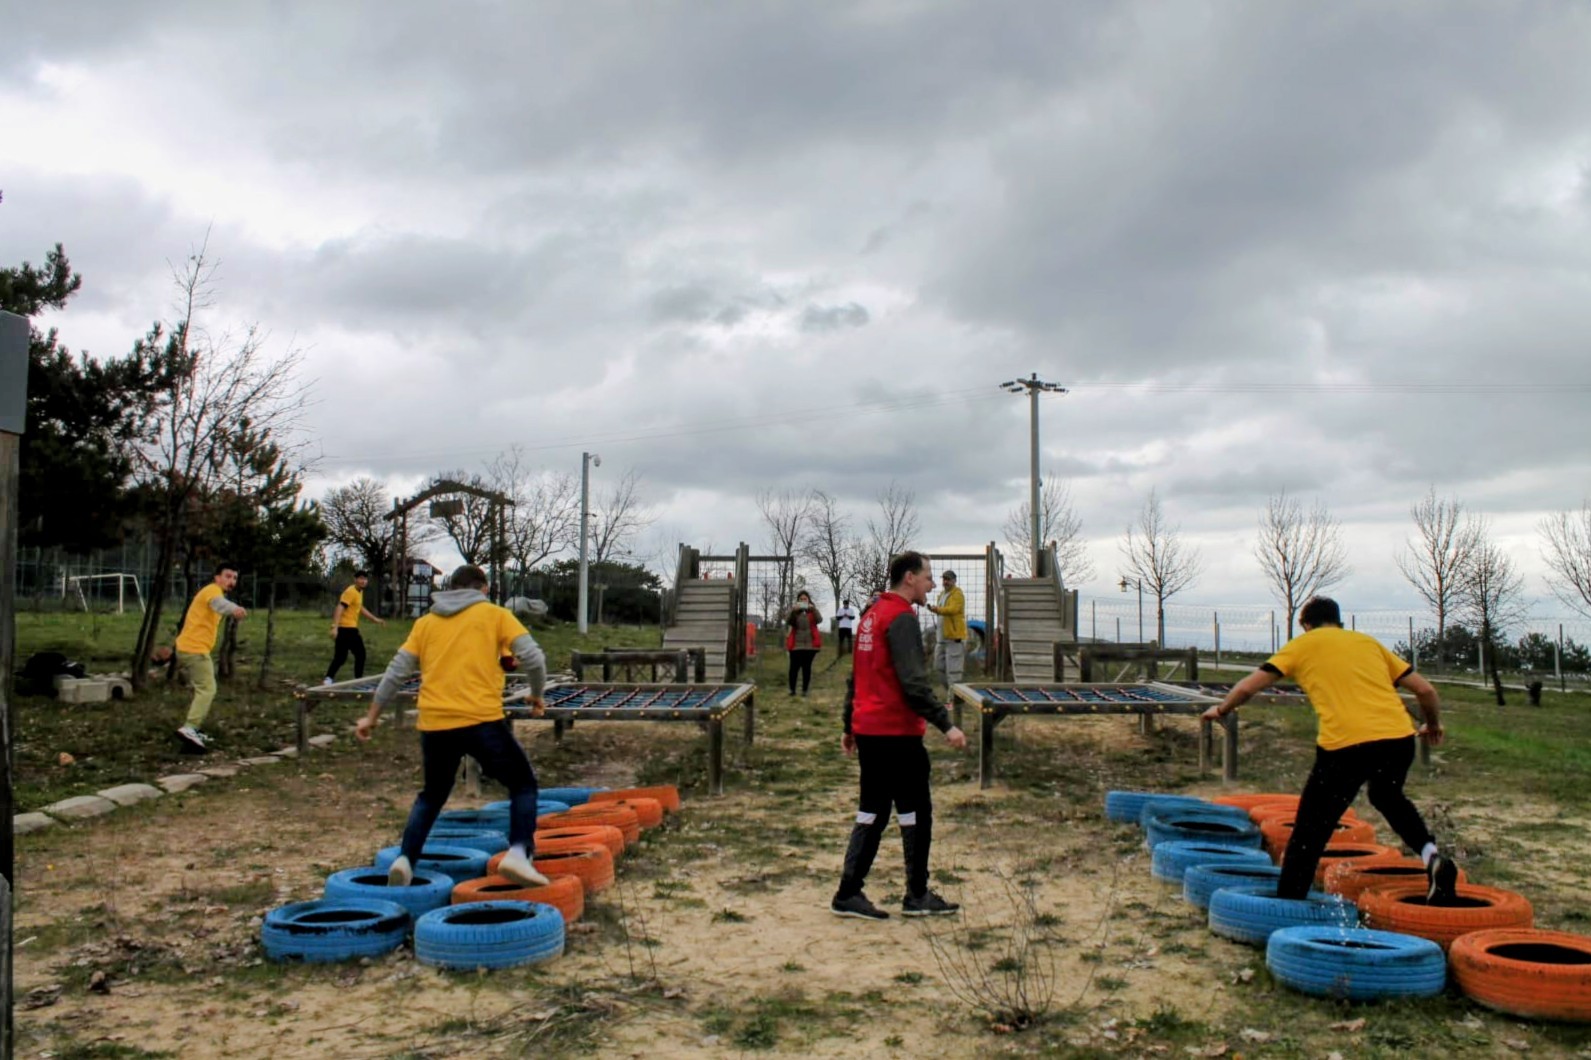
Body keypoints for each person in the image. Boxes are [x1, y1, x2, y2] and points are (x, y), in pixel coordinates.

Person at [1201, 596, 1458, 902]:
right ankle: (1432, 857)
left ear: (1306, 625)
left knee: (1310, 828)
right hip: (1398, 739)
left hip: (1345, 746)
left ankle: (1288, 903)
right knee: (1387, 796)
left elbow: (1247, 687)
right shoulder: (1368, 643)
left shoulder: (1302, 645)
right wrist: (1432, 724)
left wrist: (1222, 709)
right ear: (1339, 621)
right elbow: (1426, 690)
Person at [356, 564, 550, 890]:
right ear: (483, 589)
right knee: (522, 784)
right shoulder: (496, 615)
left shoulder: (426, 623)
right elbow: (535, 659)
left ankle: (405, 859)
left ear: (450, 589)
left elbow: (396, 672)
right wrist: (536, 694)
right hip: (481, 720)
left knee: (432, 794)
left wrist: (372, 716)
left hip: (434, 723)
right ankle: (518, 852)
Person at [831, 551, 968, 920]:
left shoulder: (871, 616)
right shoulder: (901, 618)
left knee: (872, 810)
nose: (932, 584)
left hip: (871, 731)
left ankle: (848, 892)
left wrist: (850, 724)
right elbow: (913, 682)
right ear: (909, 578)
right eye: (927, 576)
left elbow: (857, 677)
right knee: (916, 810)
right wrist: (947, 723)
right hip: (896, 732)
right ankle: (917, 894)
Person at [174, 563, 248, 753]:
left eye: (234, 578)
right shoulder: (212, 591)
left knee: (204, 688)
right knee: (207, 688)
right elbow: (219, 604)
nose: (231, 581)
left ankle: (193, 729)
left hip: (192, 647)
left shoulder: (214, 592)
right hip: (194, 649)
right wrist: (235, 609)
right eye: (227, 576)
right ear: (217, 577)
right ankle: (190, 727)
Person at [323, 570, 386, 685]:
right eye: (360, 578)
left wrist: (375, 619)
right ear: (355, 579)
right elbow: (340, 608)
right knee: (360, 654)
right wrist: (334, 627)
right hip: (347, 629)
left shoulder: (359, 592)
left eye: (365, 579)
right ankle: (358, 680)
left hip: (349, 629)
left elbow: (360, 608)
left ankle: (329, 678)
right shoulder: (350, 592)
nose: (363, 581)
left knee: (341, 657)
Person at [925, 570, 967, 700]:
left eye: (948, 579)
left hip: (954, 639)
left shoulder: (957, 594)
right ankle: (954, 694)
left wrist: (937, 609)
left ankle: (954, 700)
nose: (945, 582)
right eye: (944, 579)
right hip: (941, 639)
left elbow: (953, 609)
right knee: (938, 667)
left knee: (953, 672)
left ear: (954, 580)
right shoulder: (942, 595)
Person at [785, 590, 823, 696]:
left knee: (806, 668)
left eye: (805, 599)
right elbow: (788, 621)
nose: (803, 601)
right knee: (794, 668)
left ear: (808, 600)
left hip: (809, 645)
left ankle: (805, 690)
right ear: (798, 601)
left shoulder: (812, 610)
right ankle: (792, 690)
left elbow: (819, 620)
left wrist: (813, 609)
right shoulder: (795, 611)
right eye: (801, 599)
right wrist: (793, 611)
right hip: (796, 645)